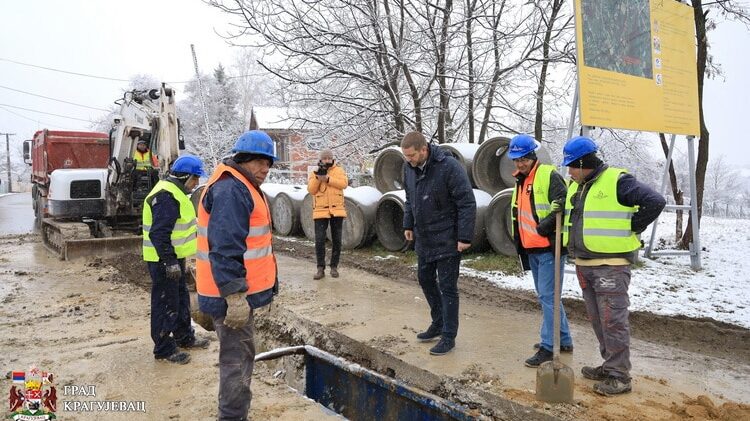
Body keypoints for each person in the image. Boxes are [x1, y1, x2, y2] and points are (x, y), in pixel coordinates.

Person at [562, 135, 665, 396]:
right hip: (585, 263)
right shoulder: (579, 186)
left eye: (572, 166)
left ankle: (620, 376)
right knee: (598, 320)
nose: (569, 171)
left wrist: (635, 225)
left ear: (585, 162)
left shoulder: (618, 181)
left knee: (613, 321)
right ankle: (610, 365)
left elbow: (655, 201)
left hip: (611, 266)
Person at [196, 130, 279, 420]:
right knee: (236, 362)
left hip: (234, 293)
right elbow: (224, 249)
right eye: (259, 162)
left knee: (240, 357)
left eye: (269, 163)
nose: (265, 169)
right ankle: (232, 416)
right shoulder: (232, 190)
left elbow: (254, 246)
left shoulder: (240, 185)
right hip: (229, 296)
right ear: (242, 159)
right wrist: (235, 296)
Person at [401, 131, 476, 356]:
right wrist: (408, 223)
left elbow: (467, 202)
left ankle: (448, 336)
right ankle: (438, 322)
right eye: (406, 156)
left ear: (424, 149)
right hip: (424, 237)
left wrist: (464, 237)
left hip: (448, 239)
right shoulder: (409, 168)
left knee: (448, 287)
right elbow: (409, 198)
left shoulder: (448, 167)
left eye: (412, 155)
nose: (409, 160)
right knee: (424, 278)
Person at [505, 134, 574, 368]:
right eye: (516, 160)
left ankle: (548, 346)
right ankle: (563, 339)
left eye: (523, 159)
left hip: (549, 248)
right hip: (532, 248)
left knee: (548, 297)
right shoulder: (521, 180)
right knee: (549, 296)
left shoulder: (548, 175)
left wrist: (544, 227)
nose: (520, 164)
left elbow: (563, 201)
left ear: (532, 156)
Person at [142, 154, 210, 364]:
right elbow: (158, 234)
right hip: (162, 260)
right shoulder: (166, 196)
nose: (196, 183)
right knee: (165, 303)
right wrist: (169, 261)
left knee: (180, 299)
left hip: (174, 257)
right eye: (195, 178)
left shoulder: (176, 193)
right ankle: (163, 348)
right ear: (184, 176)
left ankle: (184, 336)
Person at [307, 149, 348, 280]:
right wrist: (319, 178)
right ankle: (320, 268)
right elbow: (311, 190)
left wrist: (328, 178)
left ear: (332, 159)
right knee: (319, 240)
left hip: (337, 210)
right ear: (321, 159)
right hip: (320, 210)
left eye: (329, 158)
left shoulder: (339, 170)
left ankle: (334, 266)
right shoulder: (315, 172)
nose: (327, 160)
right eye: (324, 158)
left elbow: (344, 184)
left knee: (337, 240)